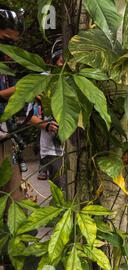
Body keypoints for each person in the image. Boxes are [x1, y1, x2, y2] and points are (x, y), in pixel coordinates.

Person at [0, 4, 24, 270]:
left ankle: (13, 263)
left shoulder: (6, 66)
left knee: (14, 203)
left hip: (7, 143)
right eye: (6, 41)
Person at [28, 38, 65, 188]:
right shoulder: (43, 80)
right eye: (62, 61)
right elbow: (30, 116)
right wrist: (47, 125)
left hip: (75, 148)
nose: (65, 66)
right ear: (54, 60)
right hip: (53, 150)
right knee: (61, 191)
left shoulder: (75, 79)